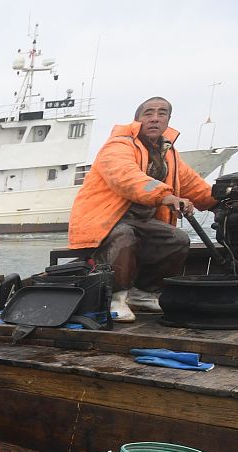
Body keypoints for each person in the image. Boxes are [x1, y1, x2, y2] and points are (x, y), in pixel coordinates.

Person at [68, 96, 216, 322]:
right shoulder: (118, 145)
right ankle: (114, 298)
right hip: (103, 221)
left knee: (177, 239)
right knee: (123, 235)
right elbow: (125, 176)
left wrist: (220, 200)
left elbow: (195, 186)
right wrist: (164, 195)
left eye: (162, 113)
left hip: (142, 221)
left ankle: (143, 293)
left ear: (168, 120)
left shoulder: (169, 154)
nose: (155, 118)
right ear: (137, 120)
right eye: (148, 113)